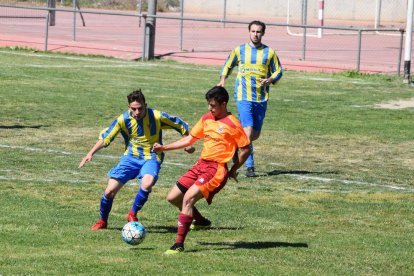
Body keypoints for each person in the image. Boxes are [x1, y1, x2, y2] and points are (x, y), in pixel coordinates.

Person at [153, 86, 251, 254]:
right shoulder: (206, 118)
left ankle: (178, 244)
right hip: (201, 165)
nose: (209, 108)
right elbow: (190, 139)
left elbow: (246, 148)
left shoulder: (233, 124)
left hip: (216, 169)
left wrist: (233, 169)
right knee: (173, 197)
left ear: (224, 104)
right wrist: (164, 147)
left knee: (188, 199)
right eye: (208, 104)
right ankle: (200, 221)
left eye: (213, 105)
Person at [79, 89, 194, 230]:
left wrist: (187, 143)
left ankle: (132, 213)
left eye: (140, 108)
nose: (137, 112)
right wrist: (90, 153)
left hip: (151, 157)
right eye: (134, 109)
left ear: (145, 105)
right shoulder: (123, 120)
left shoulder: (157, 116)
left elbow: (181, 125)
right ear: (129, 107)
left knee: (147, 183)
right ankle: (103, 221)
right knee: (109, 192)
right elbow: (106, 137)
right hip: (130, 158)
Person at [217, 20, 283, 177]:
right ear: (249, 32)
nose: (255, 34)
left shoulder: (270, 53)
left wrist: (269, 80)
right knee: (248, 132)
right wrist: (223, 80)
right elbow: (228, 65)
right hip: (243, 96)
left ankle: (232, 141)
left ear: (263, 33)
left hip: (261, 98)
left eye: (258, 31)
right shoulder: (239, 50)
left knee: (255, 134)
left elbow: (279, 71)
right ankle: (248, 167)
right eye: (253, 31)